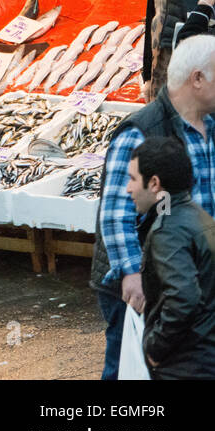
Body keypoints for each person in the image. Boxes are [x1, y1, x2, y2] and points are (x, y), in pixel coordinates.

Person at [92, 33, 215, 378]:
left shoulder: (210, 127)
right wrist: (132, 274)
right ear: (198, 79)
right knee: (129, 367)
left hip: (190, 278)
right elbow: (117, 214)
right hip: (147, 281)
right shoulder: (141, 130)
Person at [125, 136, 215, 379]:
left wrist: (155, 348)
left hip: (186, 366)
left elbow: (184, 298)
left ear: (154, 183)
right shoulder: (198, 217)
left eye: (133, 179)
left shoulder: (169, 230)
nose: (128, 188)